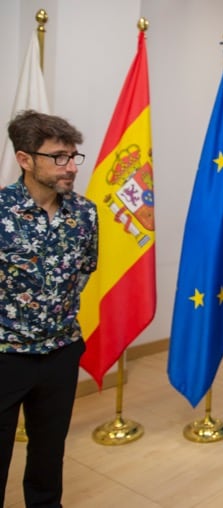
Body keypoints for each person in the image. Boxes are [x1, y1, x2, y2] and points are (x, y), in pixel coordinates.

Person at [0, 110, 98, 507]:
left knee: (48, 455)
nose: (70, 167)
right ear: (25, 160)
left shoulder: (84, 213)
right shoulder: (2, 211)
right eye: (58, 157)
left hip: (60, 353)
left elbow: (86, 269)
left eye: (74, 156)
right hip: (6, 356)